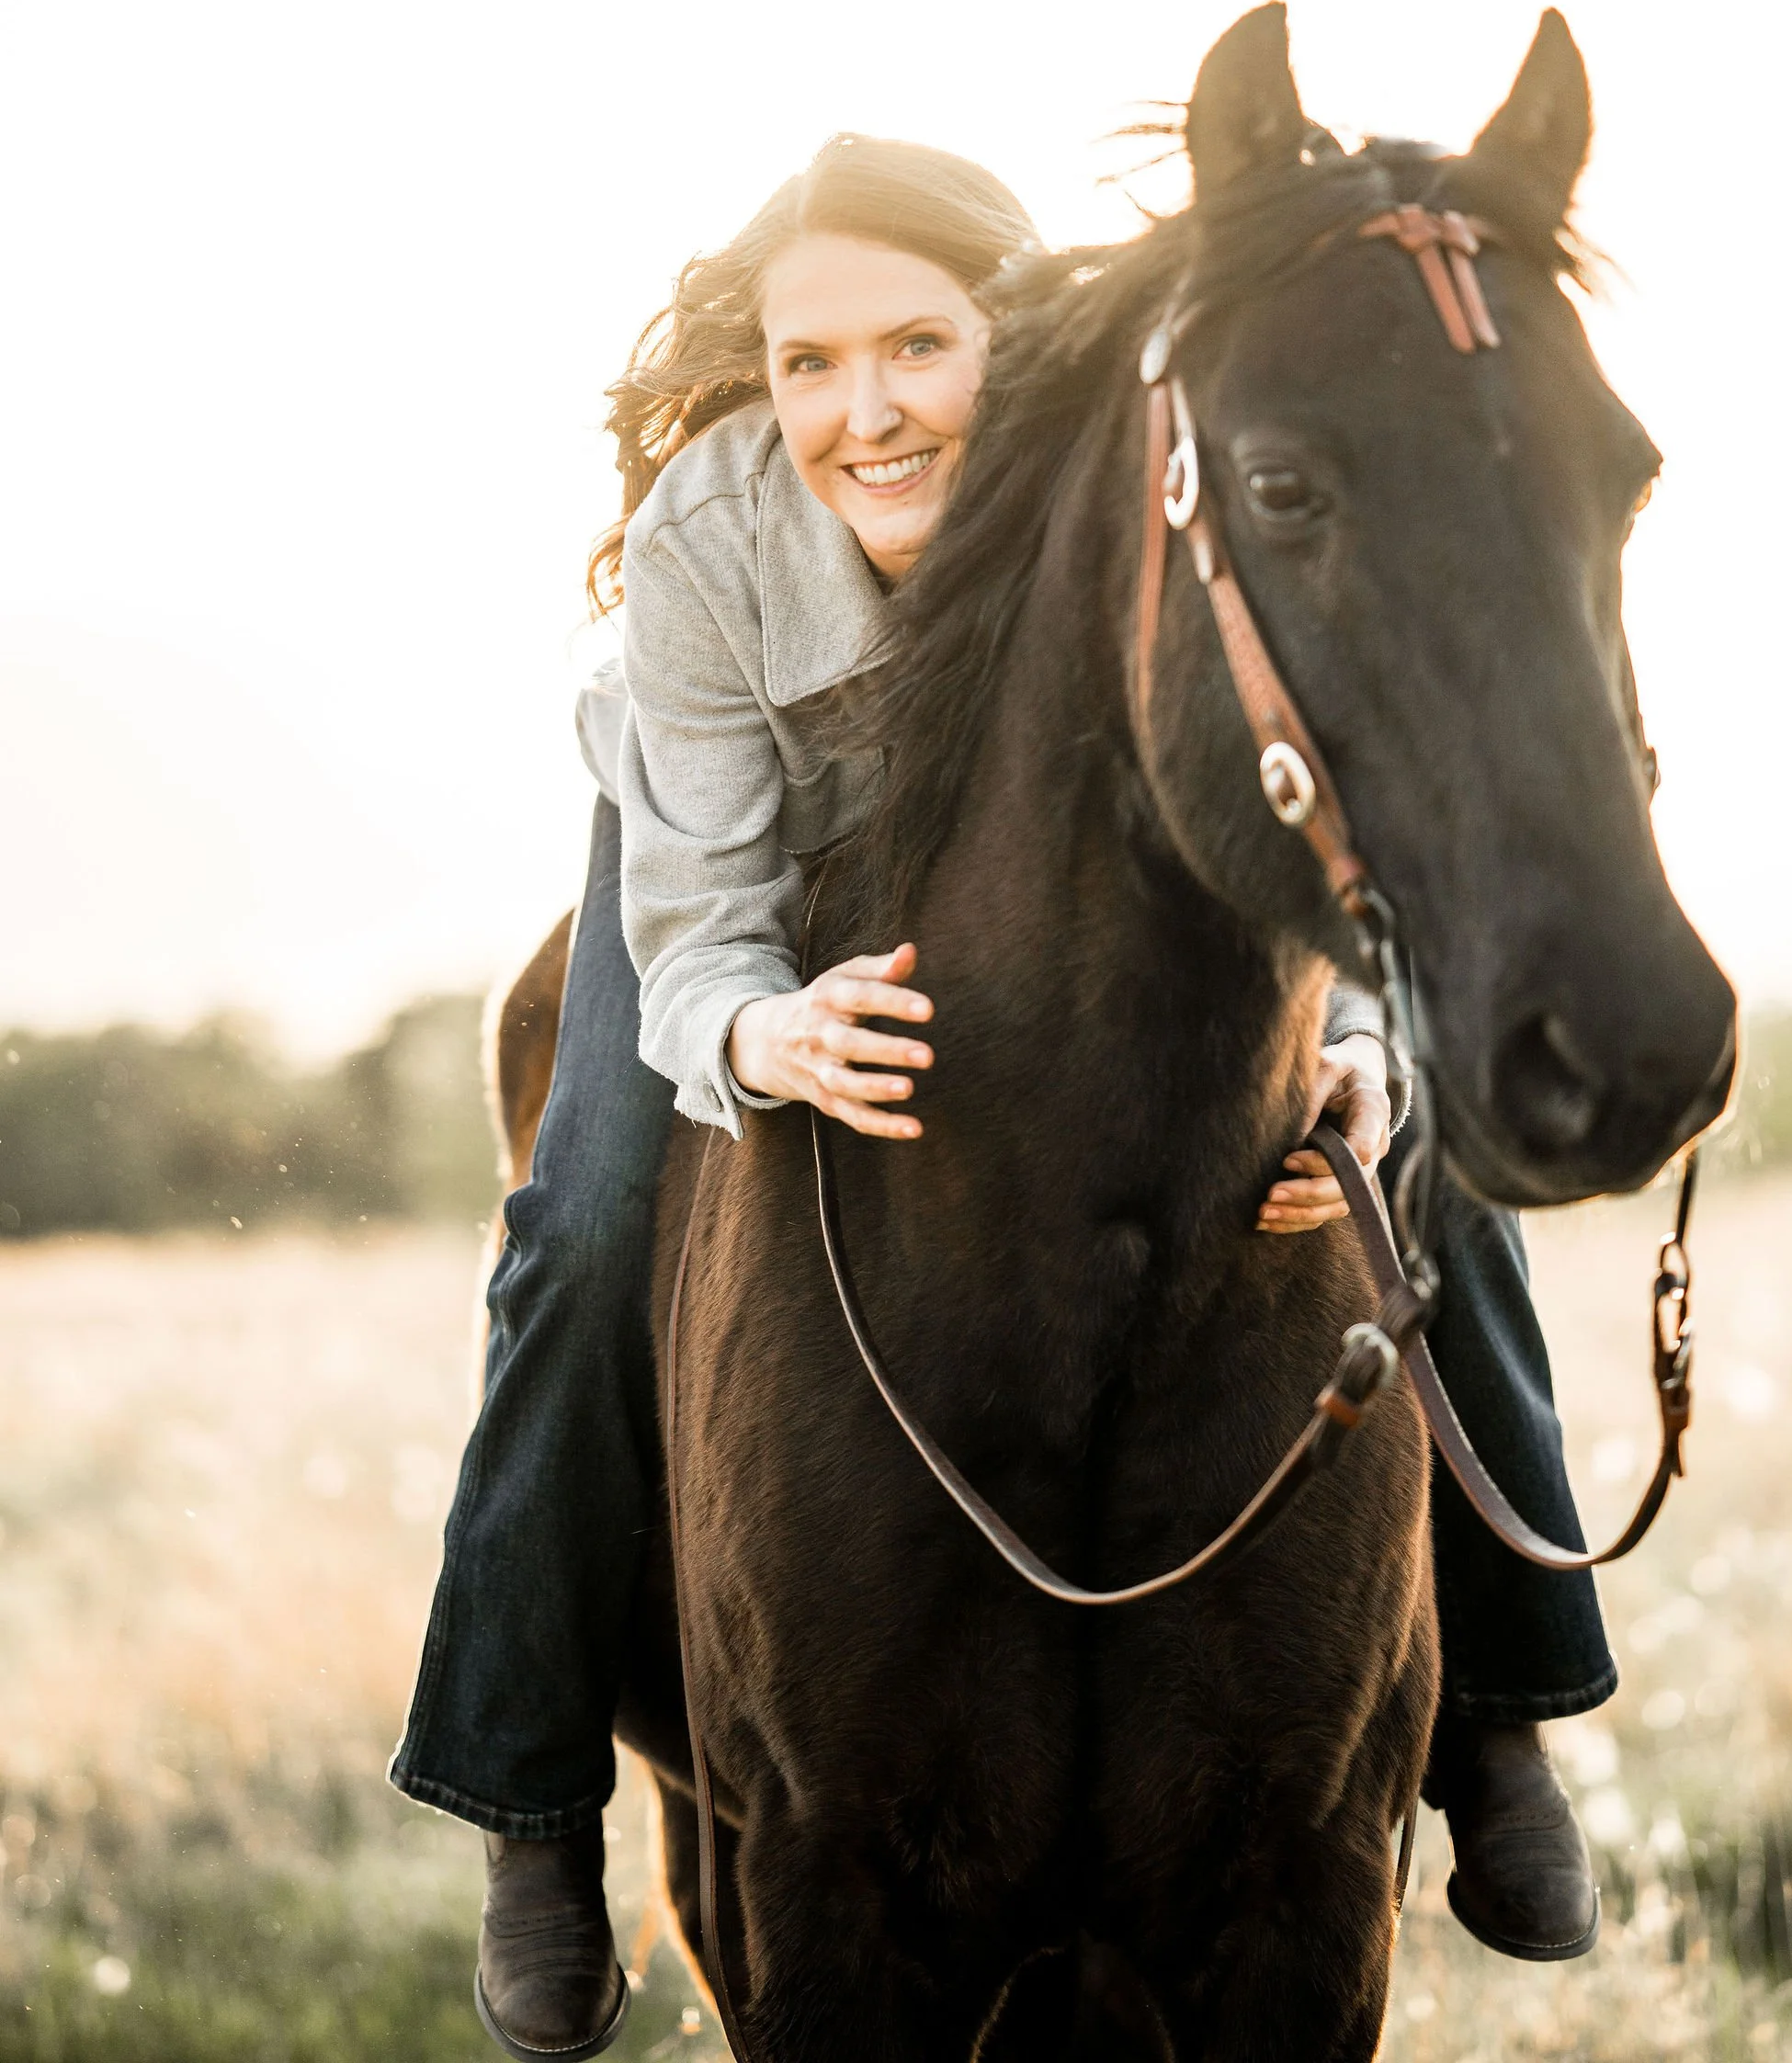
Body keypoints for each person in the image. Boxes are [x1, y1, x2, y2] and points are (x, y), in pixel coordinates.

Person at [391, 134, 1614, 2063]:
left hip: (1017, 881)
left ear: (1008, 342)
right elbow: (702, 909)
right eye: (809, 363)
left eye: (915, 347)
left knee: (1422, 1151)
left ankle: (1505, 1716)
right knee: (584, 1226)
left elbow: (1294, 778)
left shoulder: (1121, 494)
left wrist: (1363, 1043)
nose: (862, 410)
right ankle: (526, 1793)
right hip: (723, 871)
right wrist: (762, 1036)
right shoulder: (719, 535)